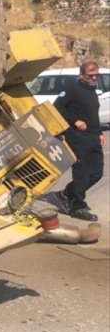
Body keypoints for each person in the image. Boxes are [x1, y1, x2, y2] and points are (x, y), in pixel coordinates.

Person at [54, 61, 106, 222]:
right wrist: (74, 121)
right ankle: (77, 206)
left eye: (96, 75)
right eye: (90, 75)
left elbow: (93, 115)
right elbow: (57, 106)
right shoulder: (72, 89)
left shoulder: (92, 91)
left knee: (97, 173)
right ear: (81, 75)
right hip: (77, 137)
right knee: (82, 173)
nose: (94, 78)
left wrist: (100, 133)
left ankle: (66, 194)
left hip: (93, 137)